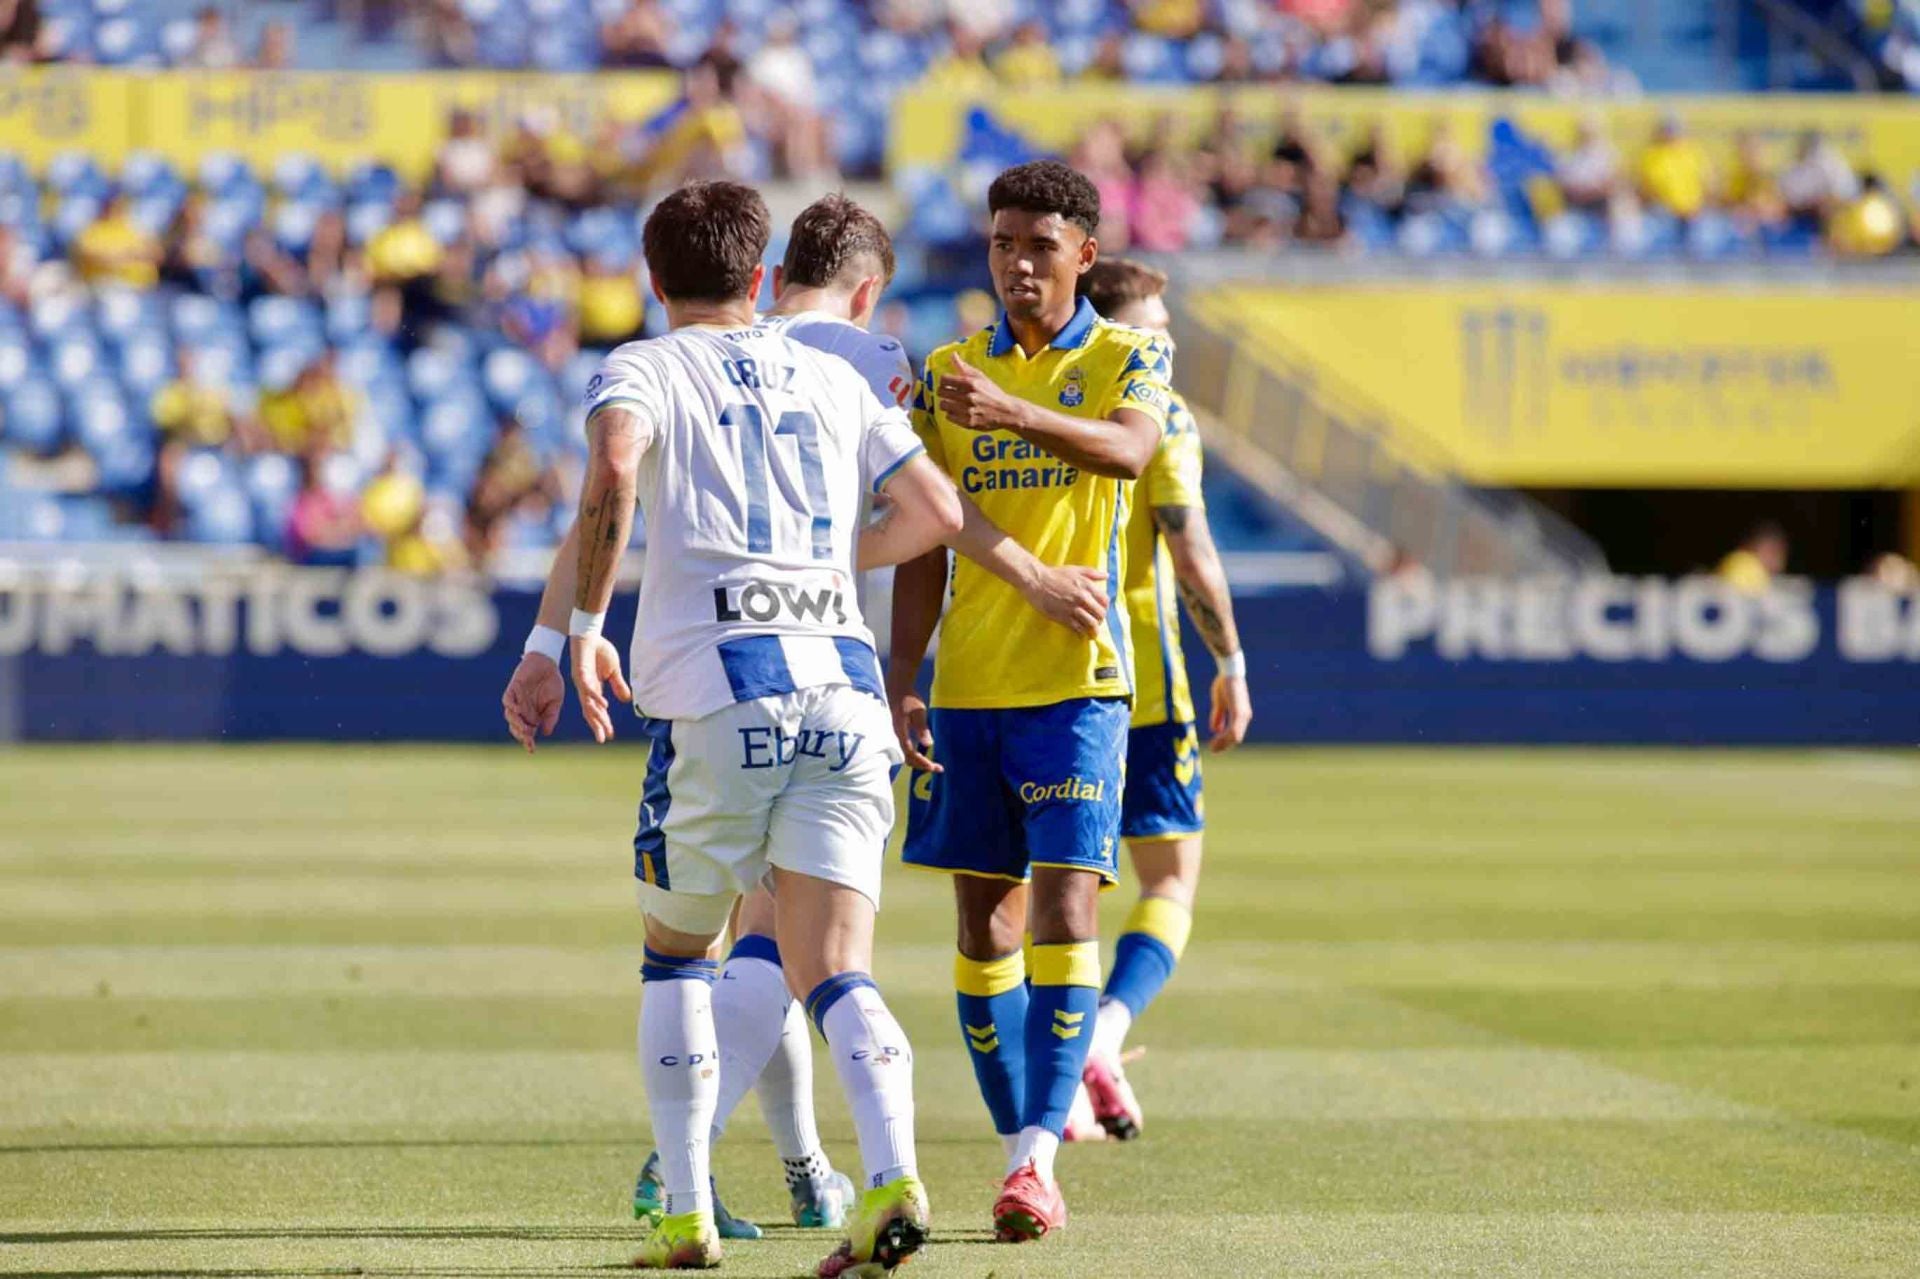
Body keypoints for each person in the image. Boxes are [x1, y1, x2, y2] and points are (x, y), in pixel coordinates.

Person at [624, 193, 1115, 1241]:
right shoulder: (875, 361)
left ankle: (778, 1171)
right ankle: (699, 1165)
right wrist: (1027, 575)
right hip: (834, 674)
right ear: (868, 285)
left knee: (749, 941)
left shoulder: (723, 347)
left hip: (725, 672)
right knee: (804, 950)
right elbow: (936, 509)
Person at [500, 180, 943, 1273]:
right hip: (845, 692)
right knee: (836, 964)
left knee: (678, 955)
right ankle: (889, 1171)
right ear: (760, 277)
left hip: (719, 692)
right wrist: (825, 565)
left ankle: (687, 1211)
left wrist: (578, 634)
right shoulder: (834, 374)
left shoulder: (642, 369)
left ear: (652, 281)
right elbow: (935, 513)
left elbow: (611, 474)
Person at [888, 159, 1167, 1243]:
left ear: (1085, 255)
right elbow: (924, 534)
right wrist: (903, 673)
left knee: (1066, 909)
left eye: (1039, 246)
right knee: (981, 922)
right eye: (1003, 244)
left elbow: (1133, 452)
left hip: (1077, 688)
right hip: (968, 690)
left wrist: (1011, 409)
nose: (1016, 265)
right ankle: (1023, 1144)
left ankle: (1037, 1157)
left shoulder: (1122, 357)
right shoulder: (948, 370)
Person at [1063, 258, 1251, 1143]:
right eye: (1157, 327)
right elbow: (1191, 545)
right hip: (1145, 680)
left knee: (1053, 892)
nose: (1169, 341)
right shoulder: (1160, 413)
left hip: (1041, 675)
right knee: (1169, 878)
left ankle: (1052, 1087)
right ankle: (1103, 1033)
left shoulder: (1043, 396)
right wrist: (1234, 659)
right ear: (1123, 332)